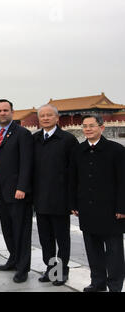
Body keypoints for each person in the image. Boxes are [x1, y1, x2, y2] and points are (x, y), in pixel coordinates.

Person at [69, 114, 125, 292]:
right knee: (93, 250)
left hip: (111, 210)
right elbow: (73, 180)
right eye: (85, 126)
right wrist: (74, 204)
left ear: (102, 127)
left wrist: (122, 207)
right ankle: (97, 281)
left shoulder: (116, 150)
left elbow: (123, 181)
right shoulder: (78, 150)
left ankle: (115, 285)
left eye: (92, 126)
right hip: (87, 208)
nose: (88, 129)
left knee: (114, 251)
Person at [33, 104, 78, 286]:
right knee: (46, 239)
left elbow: (74, 172)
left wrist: (72, 200)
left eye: (49, 115)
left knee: (62, 238)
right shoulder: (35, 139)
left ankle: (61, 271)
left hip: (60, 199)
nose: (45, 118)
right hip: (40, 199)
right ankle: (51, 270)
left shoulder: (67, 140)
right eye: (42, 115)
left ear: (57, 118)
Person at [0, 99, 34, 283]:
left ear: (12, 112)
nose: (2, 113)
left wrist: (22, 187)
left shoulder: (22, 133)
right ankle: (13, 259)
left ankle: (23, 268)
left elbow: (27, 163)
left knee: (21, 230)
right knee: (7, 228)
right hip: (0, 189)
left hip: (17, 191)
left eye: (5, 110)